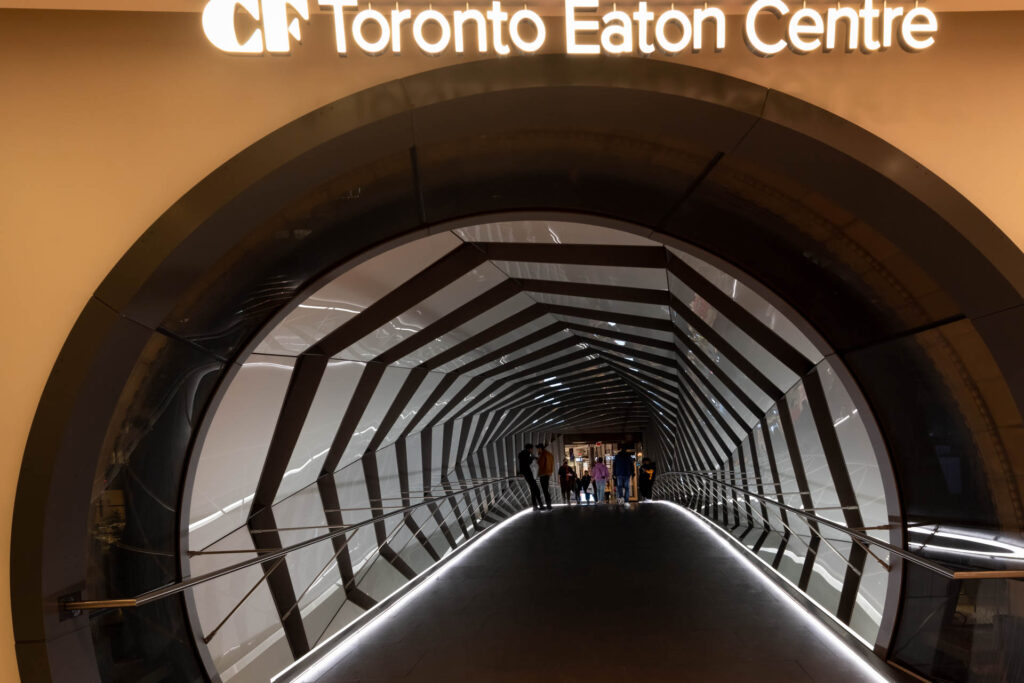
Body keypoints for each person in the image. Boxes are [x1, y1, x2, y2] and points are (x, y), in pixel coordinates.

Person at [517, 444, 543, 510]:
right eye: (532, 449)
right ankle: (539, 505)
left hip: (525, 473)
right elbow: (527, 462)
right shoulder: (527, 453)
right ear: (530, 449)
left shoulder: (522, 454)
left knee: (533, 489)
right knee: (536, 489)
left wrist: (521, 472)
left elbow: (522, 463)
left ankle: (536, 506)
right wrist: (532, 458)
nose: (532, 450)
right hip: (528, 473)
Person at [536, 443, 554, 509]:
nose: (537, 451)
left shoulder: (543, 454)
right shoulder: (549, 454)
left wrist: (538, 459)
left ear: (540, 448)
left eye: (538, 449)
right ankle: (549, 504)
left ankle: (548, 505)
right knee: (546, 489)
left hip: (543, 473)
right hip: (548, 473)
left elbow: (541, 464)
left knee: (545, 490)